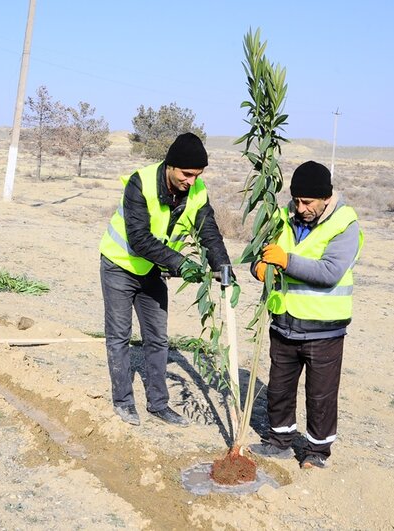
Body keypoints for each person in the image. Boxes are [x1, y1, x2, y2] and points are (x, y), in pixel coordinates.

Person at [99, 132, 232, 427]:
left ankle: (158, 405)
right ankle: (123, 402)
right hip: (119, 266)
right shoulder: (141, 182)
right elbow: (138, 239)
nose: (192, 181)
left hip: (153, 271)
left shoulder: (196, 192)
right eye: (187, 174)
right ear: (170, 166)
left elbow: (208, 231)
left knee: (158, 339)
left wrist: (223, 266)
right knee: (119, 336)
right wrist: (180, 263)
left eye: (197, 175)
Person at [249, 160, 363, 469]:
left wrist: (285, 261)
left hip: (324, 330)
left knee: (321, 395)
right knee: (279, 388)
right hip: (284, 324)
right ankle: (279, 441)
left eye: (307, 202)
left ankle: (316, 452)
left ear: (326, 197)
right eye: (297, 200)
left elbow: (330, 271)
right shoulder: (281, 217)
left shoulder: (344, 224)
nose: (300, 208)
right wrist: (258, 268)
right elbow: (261, 254)